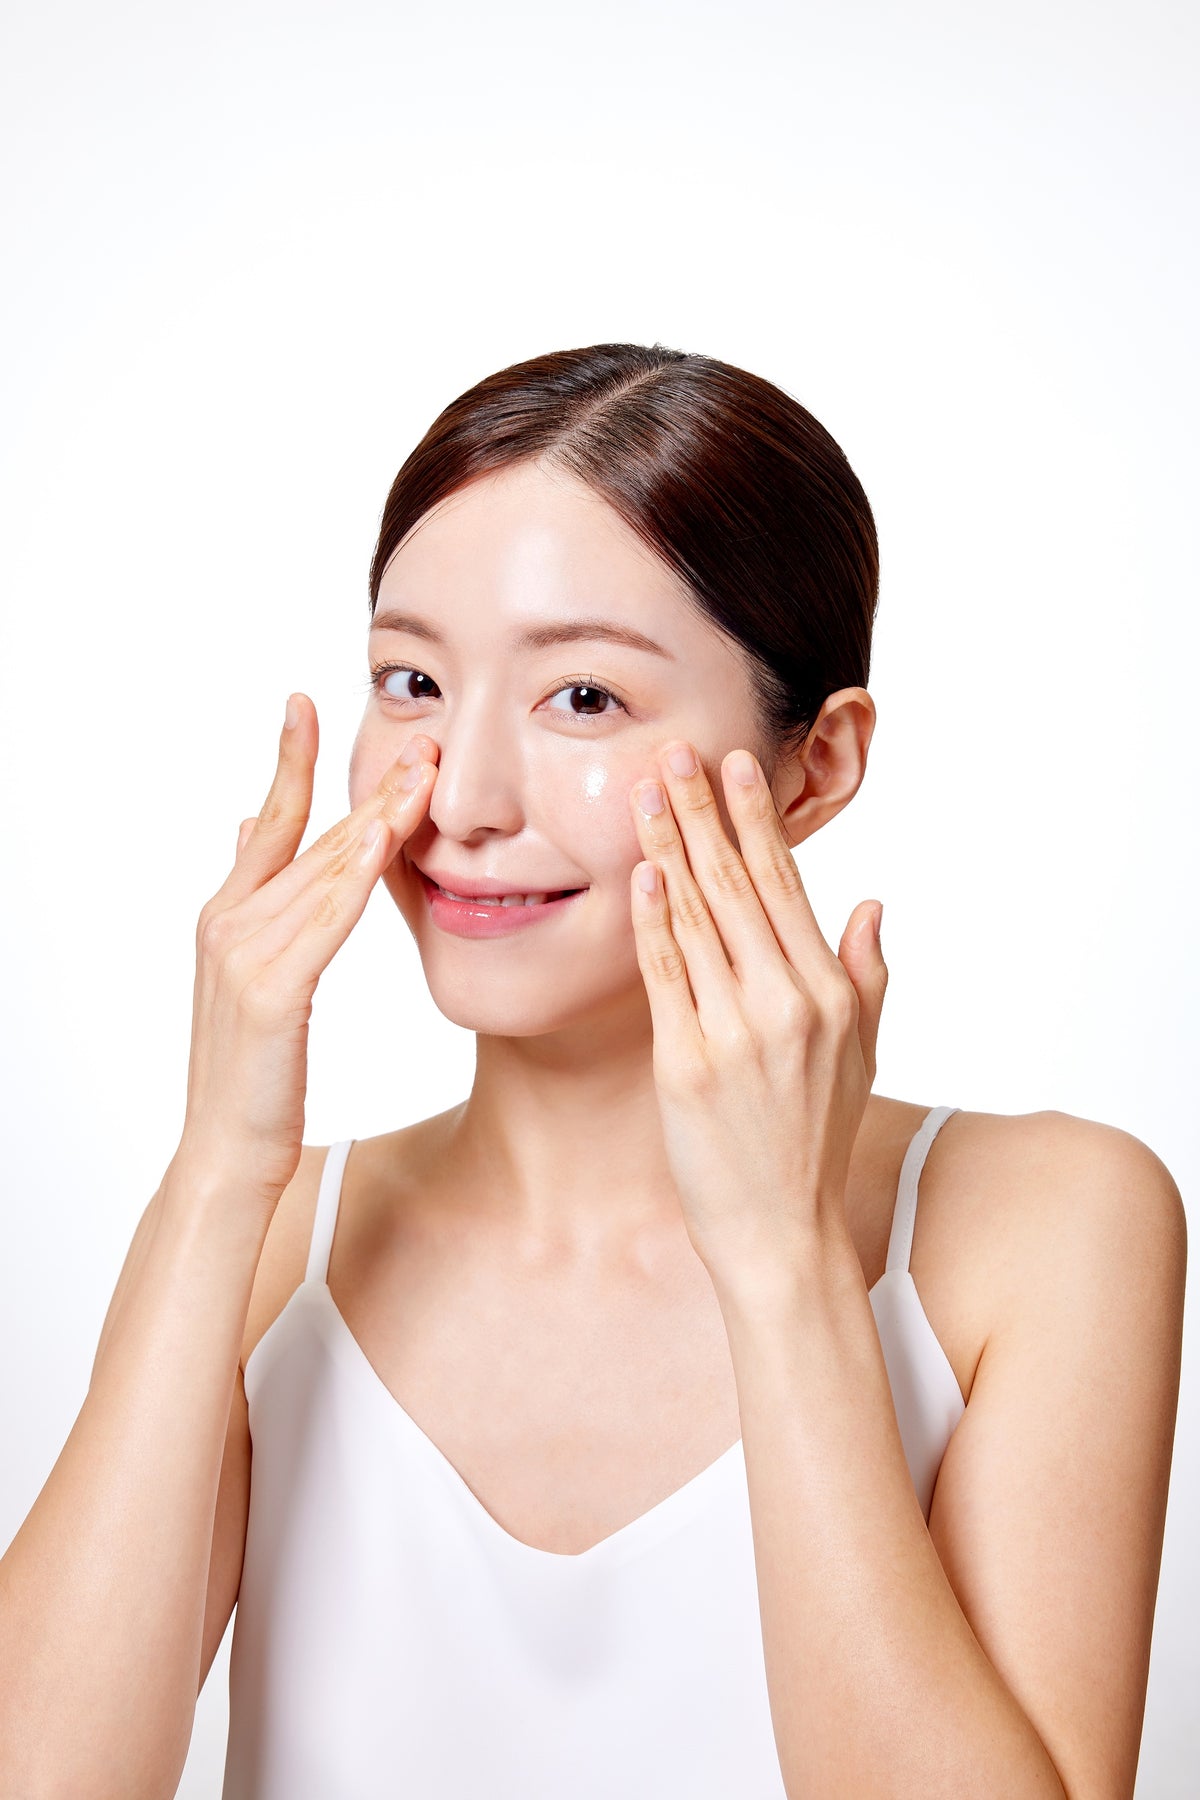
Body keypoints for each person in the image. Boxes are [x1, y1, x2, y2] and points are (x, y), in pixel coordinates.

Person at [0, 343, 1185, 1799]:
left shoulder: (1047, 1226)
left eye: (583, 699)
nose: (463, 800)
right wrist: (218, 1172)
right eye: (413, 682)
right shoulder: (265, 1239)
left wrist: (782, 1258)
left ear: (816, 765)